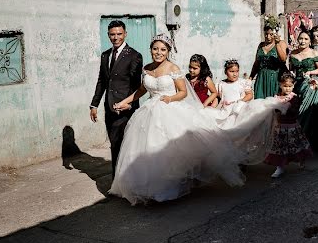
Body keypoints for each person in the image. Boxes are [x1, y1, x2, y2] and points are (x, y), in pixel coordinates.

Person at [107, 34, 246, 205]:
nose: (158, 52)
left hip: (169, 109)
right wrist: (124, 101)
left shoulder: (173, 69)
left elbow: (183, 92)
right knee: (145, 150)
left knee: (167, 152)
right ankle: (147, 188)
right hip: (149, 112)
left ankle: (166, 188)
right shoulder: (147, 68)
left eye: (163, 49)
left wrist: (169, 99)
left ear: (168, 51)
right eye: (155, 48)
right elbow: (141, 90)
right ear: (151, 49)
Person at [90, 20, 143, 179]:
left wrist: (130, 105)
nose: (116, 37)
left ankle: (129, 180)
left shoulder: (134, 55)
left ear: (125, 34)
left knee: (126, 145)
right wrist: (94, 104)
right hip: (109, 108)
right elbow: (102, 81)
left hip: (125, 109)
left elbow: (137, 87)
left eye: (119, 34)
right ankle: (118, 182)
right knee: (114, 145)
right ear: (108, 35)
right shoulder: (105, 55)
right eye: (112, 34)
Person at [264, 72, 313, 179]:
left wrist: (286, 107)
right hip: (280, 127)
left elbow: (294, 110)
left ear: (294, 85)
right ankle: (280, 167)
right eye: (285, 86)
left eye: (290, 86)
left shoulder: (294, 97)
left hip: (292, 127)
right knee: (279, 147)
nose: (287, 89)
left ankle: (301, 161)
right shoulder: (277, 97)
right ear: (280, 85)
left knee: (296, 145)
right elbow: (274, 111)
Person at [250, 26, 288, 99]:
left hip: (274, 78)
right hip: (261, 78)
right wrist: (251, 77)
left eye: (271, 34)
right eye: (266, 34)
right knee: (259, 102)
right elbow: (256, 63)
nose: (268, 36)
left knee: (272, 104)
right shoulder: (261, 45)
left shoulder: (281, 43)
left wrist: (277, 44)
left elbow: (283, 59)